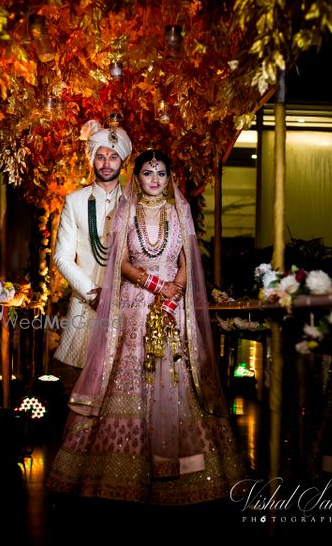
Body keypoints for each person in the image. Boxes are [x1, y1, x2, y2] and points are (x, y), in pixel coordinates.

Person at [46, 149, 246, 504]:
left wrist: (176, 291)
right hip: (134, 306)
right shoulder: (126, 211)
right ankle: (122, 469)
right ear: (136, 177)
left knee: (179, 379)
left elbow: (187, 261)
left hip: (173, 307)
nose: (155, 179)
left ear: (170, 179)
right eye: (148, 173)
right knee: (131, 376)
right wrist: (155, 286)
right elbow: (120, 262)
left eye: (162, 173)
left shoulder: (179, 211)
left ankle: (187, 468)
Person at [52, 118, 132, 391]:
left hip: (127, 301)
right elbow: (61, 256)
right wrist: (93, 293)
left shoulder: (135, 204)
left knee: (123, 382)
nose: (106, 163)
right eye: (100, 156)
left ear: (122, 161)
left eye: (113, 156)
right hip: (88, 304)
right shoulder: (74, 201)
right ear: (92, 160)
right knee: (81, 387)